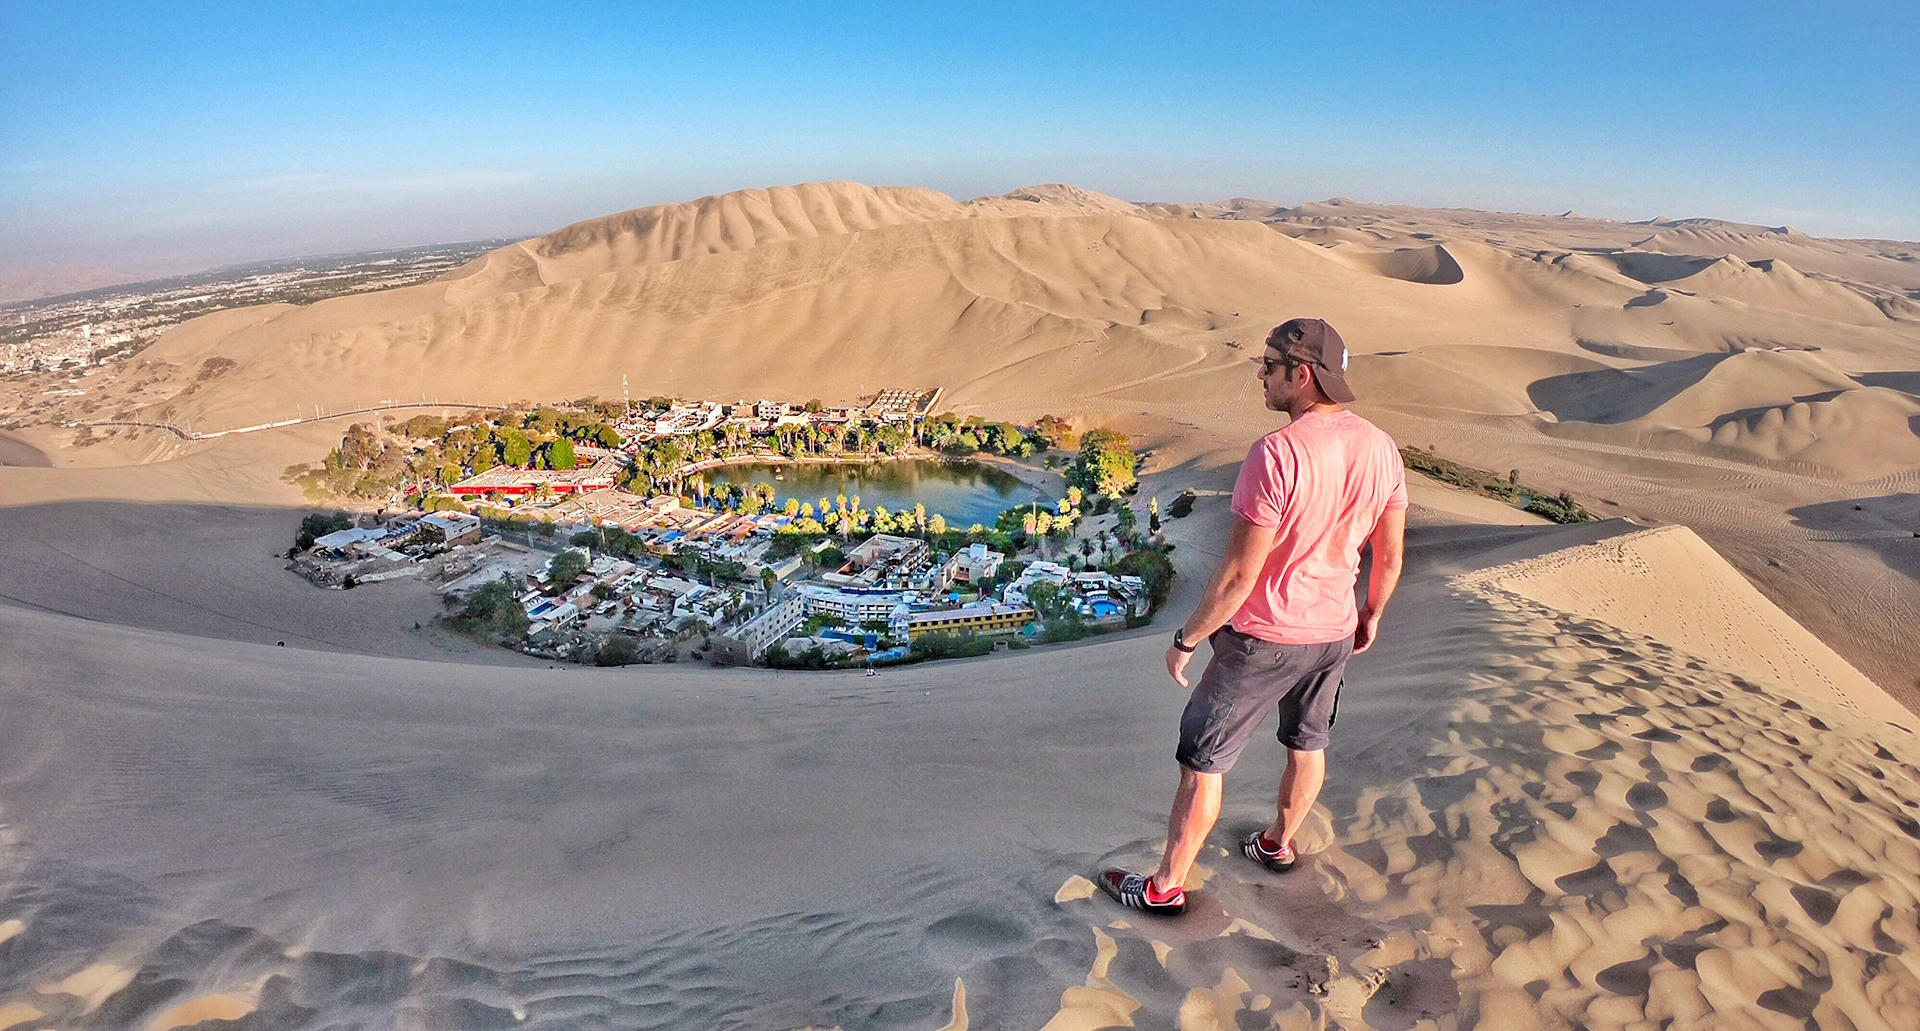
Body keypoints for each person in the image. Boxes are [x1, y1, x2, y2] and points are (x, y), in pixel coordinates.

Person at [1099, 318, 1407, 915]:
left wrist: (1187, 638)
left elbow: (1241, 576)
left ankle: (1164, 888)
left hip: (1264, 637)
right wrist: (1370, 614)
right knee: (1308, 741)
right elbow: (1389, 556)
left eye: (1268, 366)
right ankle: (1277, 844)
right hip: (1334, 631)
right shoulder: (1382, 448)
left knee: (1203, 760)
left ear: (1303, 374)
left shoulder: (1277, 454)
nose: (1261, 377)